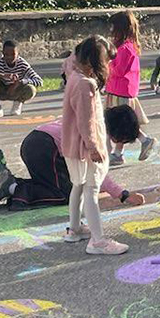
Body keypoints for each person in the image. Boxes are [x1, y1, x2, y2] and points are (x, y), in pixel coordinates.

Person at [0, 106, 149, 212]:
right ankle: (13, 187)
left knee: (59, 184)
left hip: (35, 142)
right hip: (45, 149)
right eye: (122, 140)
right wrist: (123, 195)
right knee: (67, 195)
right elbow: (97, 171)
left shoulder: (91, 118)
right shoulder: (95, 135)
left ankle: (11, 184)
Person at [58, 36, 129, 255]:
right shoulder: (85, 84)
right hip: (84, 147)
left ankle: (75, 229)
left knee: (78, 186)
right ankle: (97, 241)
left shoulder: (74, 74)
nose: (107, 66)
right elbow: (85, 120)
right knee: (91, 189)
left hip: (74, 145)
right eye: (105, 61)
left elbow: (70, 60)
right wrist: (93, 146)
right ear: (93, 61)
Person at [105, 11, 155, 166]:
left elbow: (119, 70)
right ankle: (119, 152)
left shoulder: (125, 49)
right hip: (118, 89)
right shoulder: (124, 47)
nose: (112, 31)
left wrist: (105, 63)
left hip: (121, 90)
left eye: (114, 28)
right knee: (121, 124)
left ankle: (142, 141)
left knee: (121, 123)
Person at [0, 40, 43, 117]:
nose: (9, 57)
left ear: (18, 54)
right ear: (2, 53)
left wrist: (19, 82)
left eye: (13, 54)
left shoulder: (22, 64)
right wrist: (2, 75)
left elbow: (39, 81)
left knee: (31, 89)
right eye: (6, 54)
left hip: (15, 91)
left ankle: (17, 103)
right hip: (0, 90)